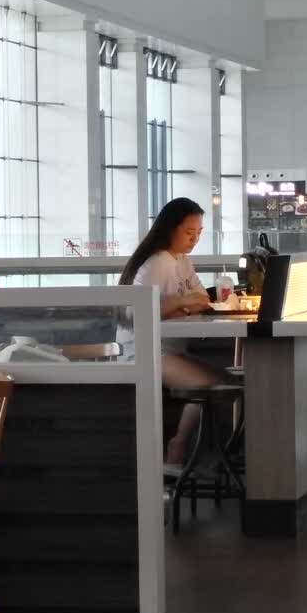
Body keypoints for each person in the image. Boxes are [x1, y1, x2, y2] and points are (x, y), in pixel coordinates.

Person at [117, 198, 221, 465]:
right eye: (189, 232)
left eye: (199, 233)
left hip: (170, 350)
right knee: (211, 384)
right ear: (169, 229)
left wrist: (179, 305)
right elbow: (134, 312)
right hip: (145, 352)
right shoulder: (156, 263)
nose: (195, 239)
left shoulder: (181, 260)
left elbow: (201, 299)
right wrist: (181, 302)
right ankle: (179, 446)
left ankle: (194, 452)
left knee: (225, 380)